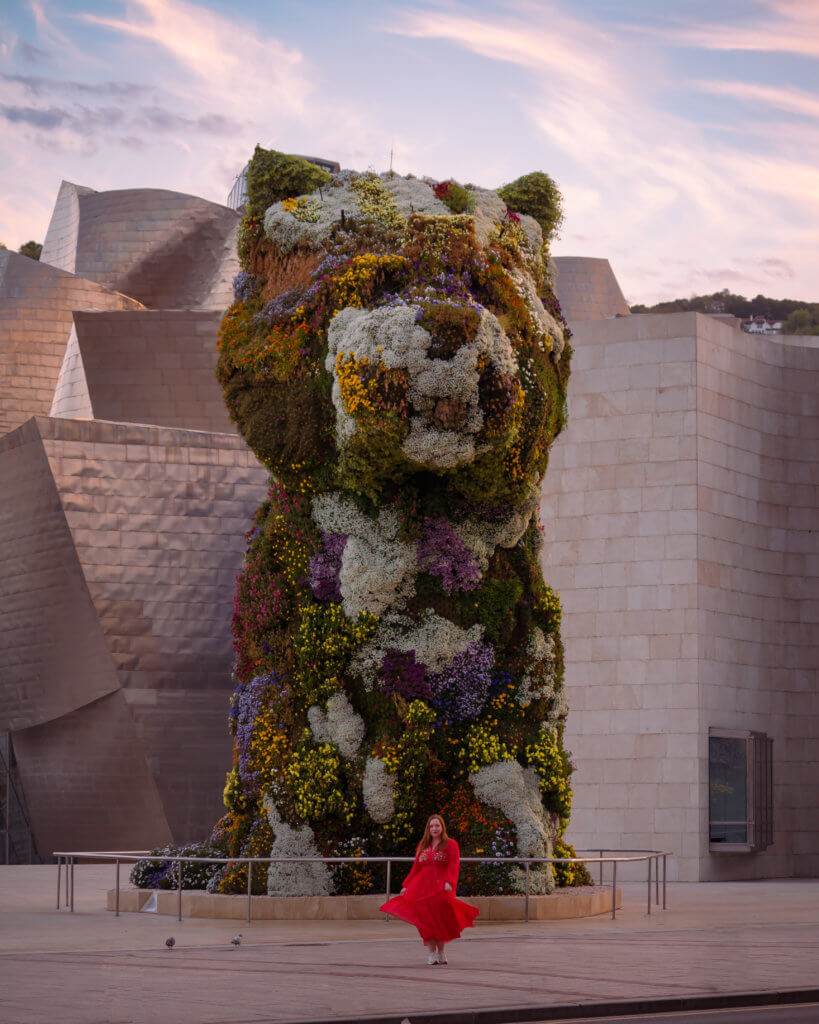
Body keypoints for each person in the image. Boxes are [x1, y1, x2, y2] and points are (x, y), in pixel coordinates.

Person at [380, 813, 478, 965]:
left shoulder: (450, 844)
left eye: (437, 825)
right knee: (426, 922)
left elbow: (454, 865)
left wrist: (450, 882)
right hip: (422, 888)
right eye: (431, 826)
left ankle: (441, 952)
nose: (434, 828)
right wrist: (406, 885)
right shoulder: (423, 845)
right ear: (428, 828)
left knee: (440, 920)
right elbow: (416, 867)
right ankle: (431, 954)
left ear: (442, 827)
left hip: (441, 889)